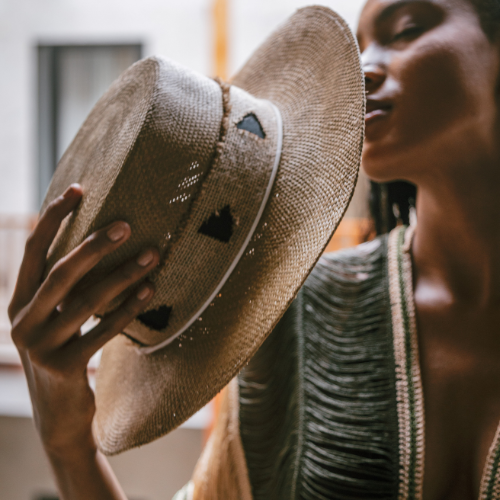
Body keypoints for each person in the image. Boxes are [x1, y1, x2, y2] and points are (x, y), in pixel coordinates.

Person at [8, 0, 500, 498]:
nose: (364, 66)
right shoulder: (299, 318)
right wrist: (69, 445)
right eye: (359, 46)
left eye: (406, 30)